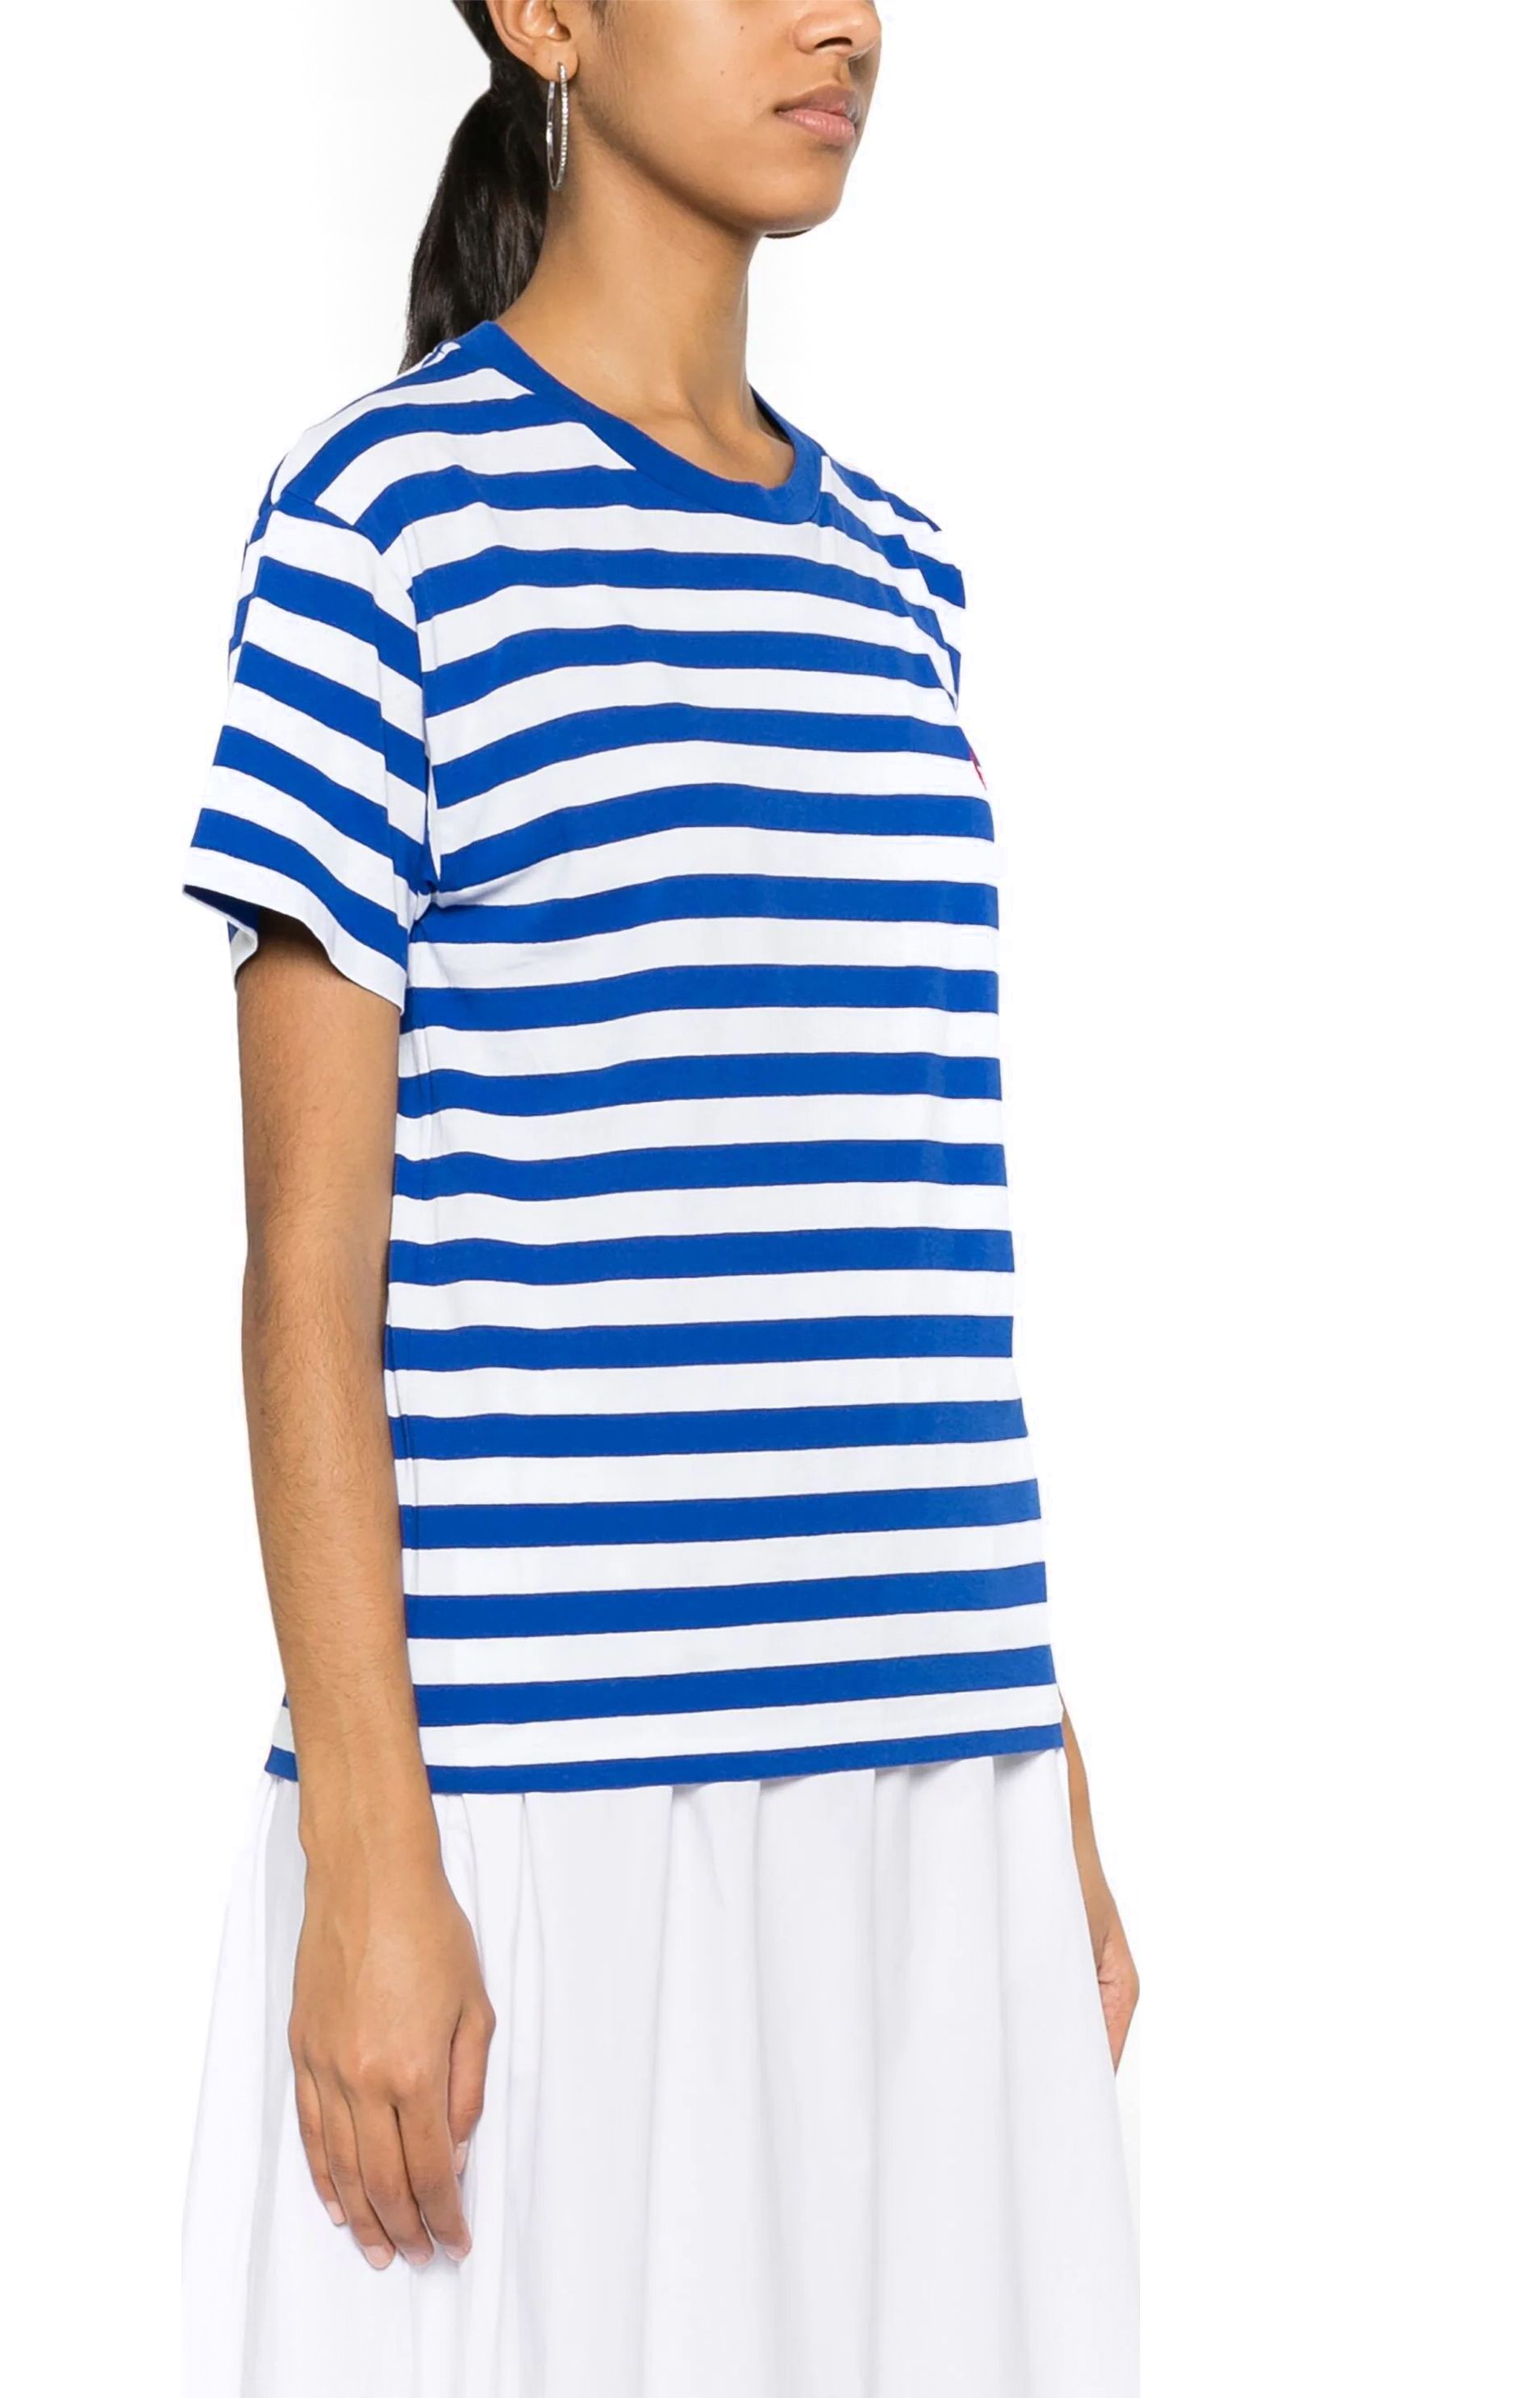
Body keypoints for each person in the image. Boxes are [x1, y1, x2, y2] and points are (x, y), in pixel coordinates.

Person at [178, 5, 1138, 2391]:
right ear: (547, 16)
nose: (845, 22)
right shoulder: (385, 528)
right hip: (552, 1807)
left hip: (930, 1775)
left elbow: (904, 1237)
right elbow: (307, 1275)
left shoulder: (901, 579)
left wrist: (1048, 1774)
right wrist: (368, 1859)